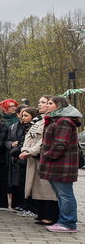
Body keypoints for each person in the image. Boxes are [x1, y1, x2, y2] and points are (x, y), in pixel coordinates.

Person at [39, 95, 82, 233]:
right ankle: (64, 220)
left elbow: (60, 143)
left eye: (50, 103)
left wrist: (48, 155)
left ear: (59, 106)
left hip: (61, 165)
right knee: (60, 194)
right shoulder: (56, 119)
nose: (47, 105)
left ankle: (68, 222)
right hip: (57, 164)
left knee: (65, 194)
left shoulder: (63, 121)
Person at [20, 98, 60, 225]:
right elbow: (29, 136)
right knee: (37, 187)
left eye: (45, 102)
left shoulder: (52, 120)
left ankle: (50, 215)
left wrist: (31, 152)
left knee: (46, 188)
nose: (41, 104)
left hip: (43, 156)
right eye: (40, 102)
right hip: (34, 157)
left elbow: (44, 140)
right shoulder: (38, 120)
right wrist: (25, 149)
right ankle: (41, 213)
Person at [8, 106, 35, 215]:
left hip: (27, 158)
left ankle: (29, 207)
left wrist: (18, 150)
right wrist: (12, 147)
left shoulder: (32, 128)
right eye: (22, 115)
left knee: (26, 184)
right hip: (18, 159)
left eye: (26, 115)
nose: (23, 118)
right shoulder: (16, 127)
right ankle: (22, 205)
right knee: (19, 183)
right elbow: (10, 140)